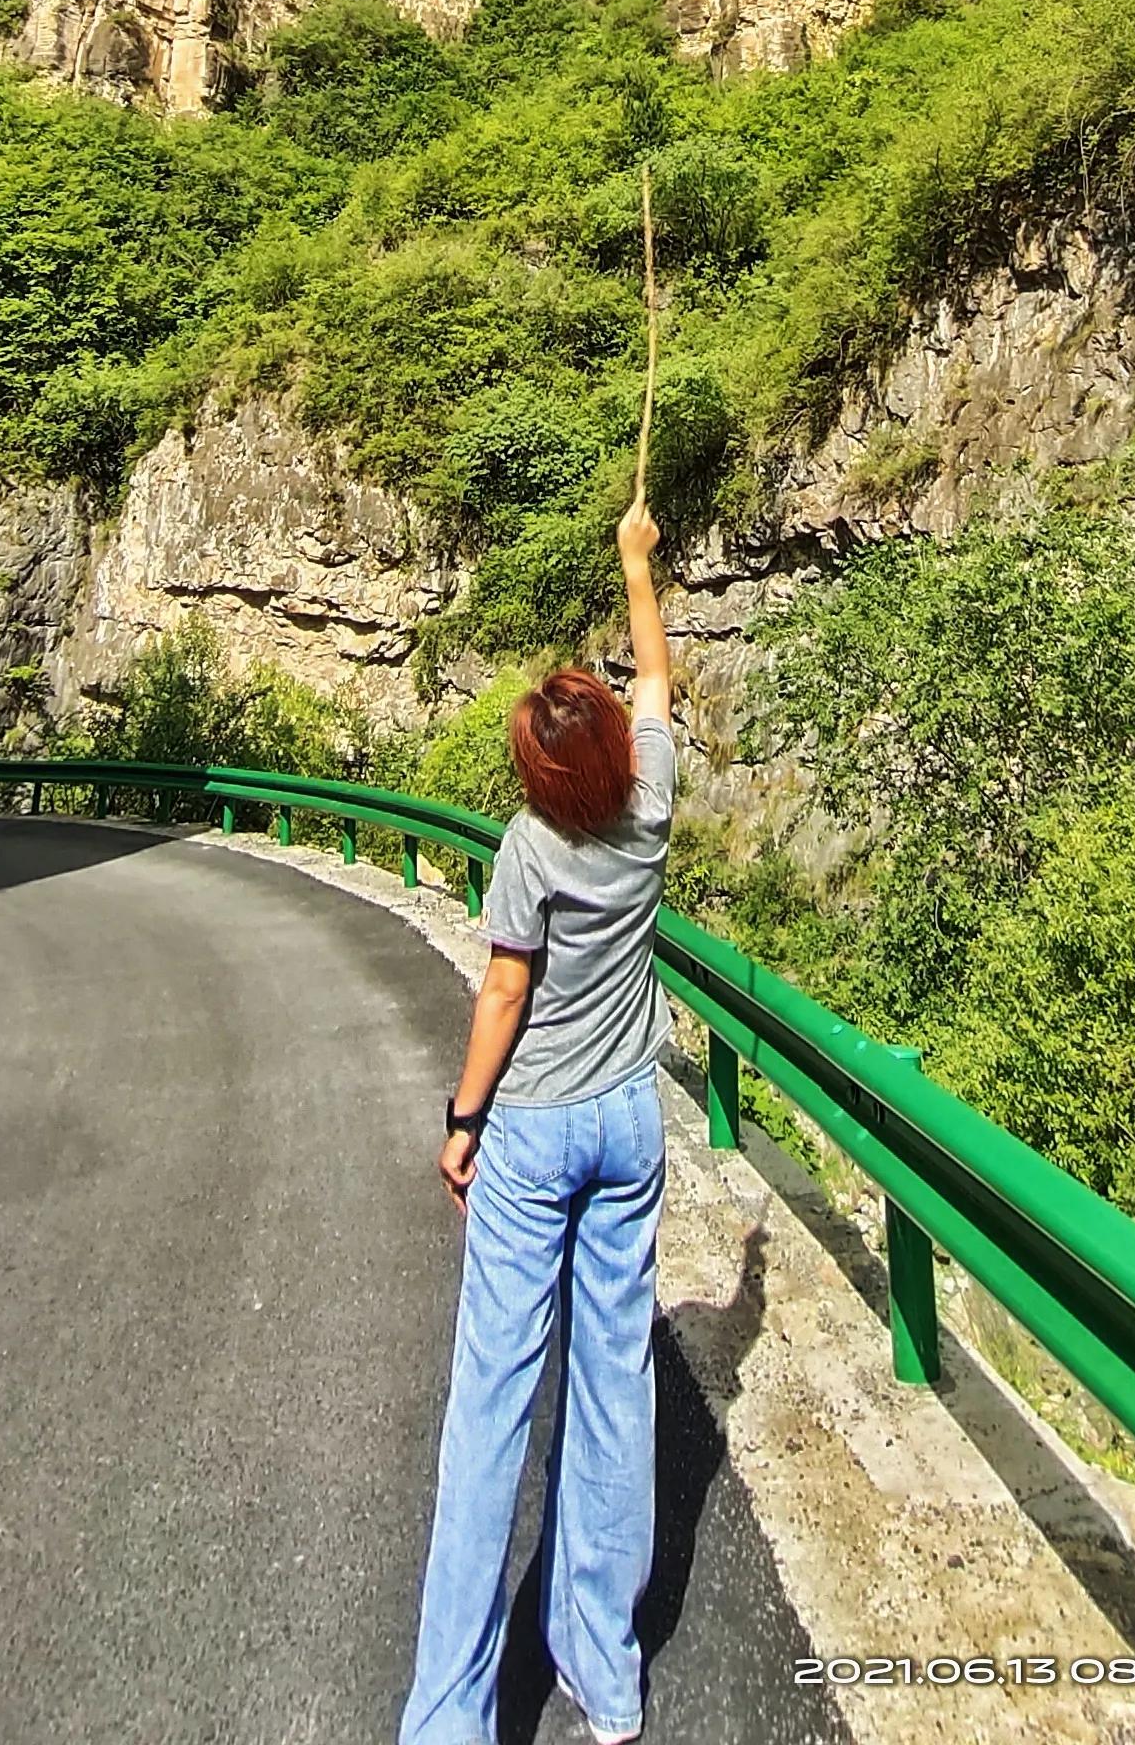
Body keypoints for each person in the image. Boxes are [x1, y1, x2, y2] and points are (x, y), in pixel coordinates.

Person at [398, 492, 676, 1745]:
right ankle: (605, 1680)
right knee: (614, 1379)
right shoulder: (652, 802)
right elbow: (659, 677)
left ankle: (452, 1719)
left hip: (534, 1133)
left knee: (491, 1404)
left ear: (534, 774)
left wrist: (463, 1116)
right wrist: (637, 566)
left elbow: (502, 988)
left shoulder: (527, 844)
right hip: (630, 1120)